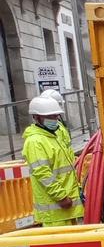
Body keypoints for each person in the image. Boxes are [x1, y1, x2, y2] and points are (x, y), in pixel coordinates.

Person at [25, 96, 82, 226]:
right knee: (61, 245)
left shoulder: (53, 136)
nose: (55, 120)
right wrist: (61, 197)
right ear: (36, 117)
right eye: (50, 117)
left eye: (56, 116)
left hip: (67, 206)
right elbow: (44, 174)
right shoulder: (35, 141)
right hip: (55, 211)